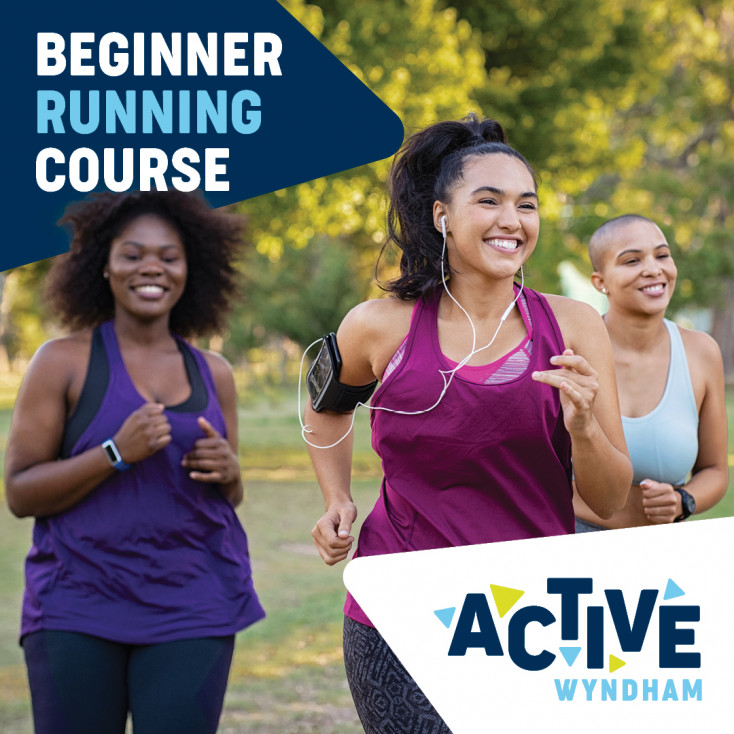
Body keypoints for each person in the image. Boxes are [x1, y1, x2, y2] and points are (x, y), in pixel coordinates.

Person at [305, 114, 632, 733]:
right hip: (397, 613)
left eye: (526, 205)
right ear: (441, 216)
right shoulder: (379, 326)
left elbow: (609, 499)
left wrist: (585, 428)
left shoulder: (576, 329)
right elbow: (326, 408)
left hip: (533, 621)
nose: (512, 220)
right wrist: (335, 498)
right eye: (489, 201)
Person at [4, 190, 265, 734]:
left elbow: (229, 494)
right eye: (132, 253)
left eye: (169, 256)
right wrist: (115, 453)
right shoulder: (63, 362)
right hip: (78, 603)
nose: (152, 267)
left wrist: (231, 472)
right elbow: (21, 492)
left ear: (190, 268)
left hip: (194, 602)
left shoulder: (213, 372)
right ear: (103, 265)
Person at [574, 214, 728, 532]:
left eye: (662, 255)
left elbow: (715, 469)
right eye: (631, 260)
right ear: (600, 282)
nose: (653, 269)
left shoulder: (702, 352)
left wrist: (683, 499)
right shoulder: (571, 353)